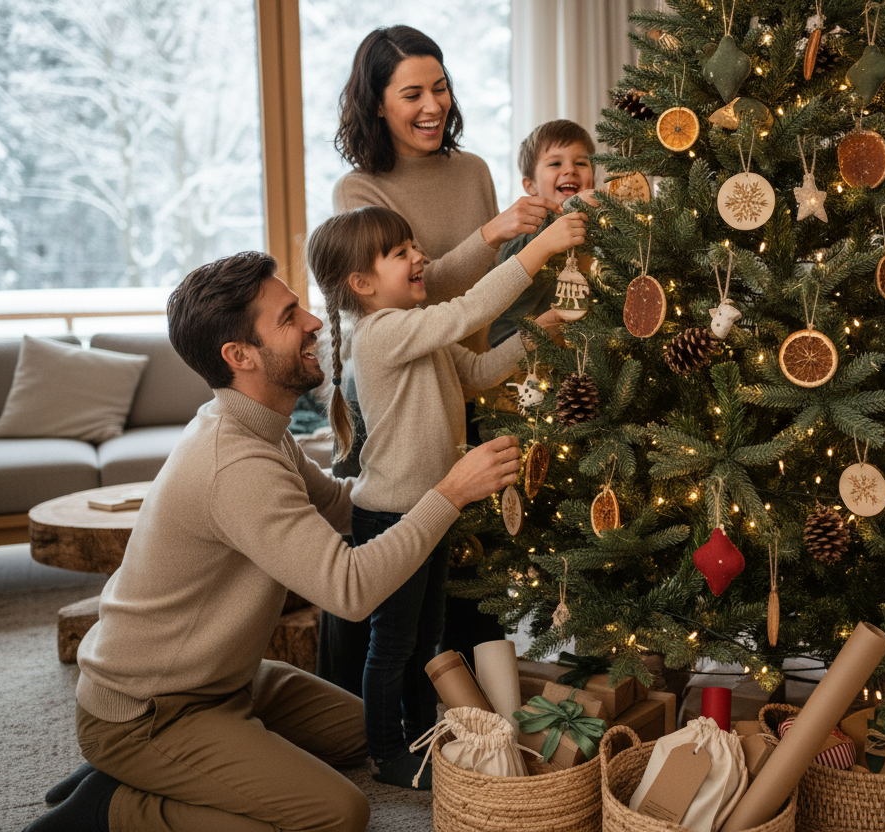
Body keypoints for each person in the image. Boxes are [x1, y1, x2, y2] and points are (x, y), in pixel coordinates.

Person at [23, 251, 522, 832]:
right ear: (239, 356)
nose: (314, 322)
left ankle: (163, 767)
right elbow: (350, 589)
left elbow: (340, 505)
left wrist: (415, 471)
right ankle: (115, 805)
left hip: (227, 680)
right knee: (337, 812)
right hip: (150, 709)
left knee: (359, 733)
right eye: (289, 317)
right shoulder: (234, 463)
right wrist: (449, 493)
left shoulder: (261, 427)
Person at [321, 23, 566, 694]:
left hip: (464, 376)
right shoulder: (359, 190)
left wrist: (544, 310)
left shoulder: (474, 171)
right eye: (411, 94)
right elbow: (420, 300)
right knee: (397, 571)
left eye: (440, 87)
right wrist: (492, 234)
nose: (432, 106)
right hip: (400, 389)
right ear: (376, 103)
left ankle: (464, 702)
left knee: (466, 571)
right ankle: (371, 708)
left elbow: (483, 301)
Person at [305, 203, 584, 788]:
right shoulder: (381, 334)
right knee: (393, 642)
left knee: (422, 635)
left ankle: (414, 730)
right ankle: (384, 752)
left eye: (414, 247)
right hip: (391, 516)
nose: (419, 258)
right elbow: (471, 310)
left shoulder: (414, 327)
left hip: (430, 510)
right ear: (361, 284)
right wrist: (538, 250)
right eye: (400, 253)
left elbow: (480, 370)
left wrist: (541, 331)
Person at [490, 118, 597, 348]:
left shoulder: (597, 230)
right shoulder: (527, 228)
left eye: (581, 163)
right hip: (514, 352)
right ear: (531, 187)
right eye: (555, 164)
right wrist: (573, 207)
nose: (570, 170)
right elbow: (550, 230)